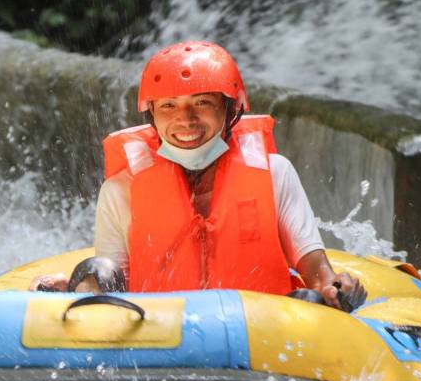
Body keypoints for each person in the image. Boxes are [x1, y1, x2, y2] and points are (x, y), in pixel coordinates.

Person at [31, 41, 366, 310]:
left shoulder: (275, 173)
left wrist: (333, 286)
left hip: (262, 330)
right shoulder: (122, 190)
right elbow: (115, 286)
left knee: (309, 303)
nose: (185, 120)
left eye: (202, 103)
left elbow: (316, 271)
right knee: (95, 270)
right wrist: (78, 289)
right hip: (156, 332)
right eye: (168, 107)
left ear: (231, 110)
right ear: (152, 116)